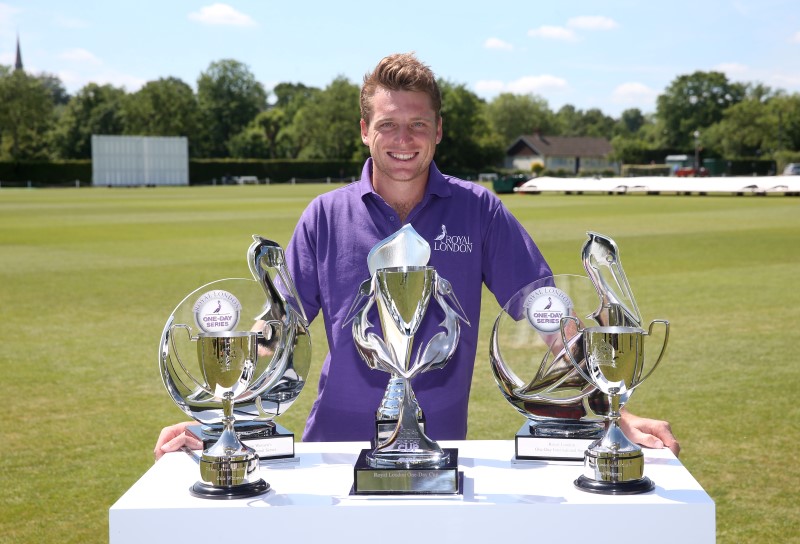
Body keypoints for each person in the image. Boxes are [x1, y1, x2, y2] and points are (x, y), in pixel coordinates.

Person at [155, 52, 679, 460]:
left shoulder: (479, 210)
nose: (402, 139)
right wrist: (217, 418)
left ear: (438, 131)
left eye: (418, 125)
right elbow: (274, 338)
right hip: (332, 453)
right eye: (387, 124)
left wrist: (614, 411)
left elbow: (551, 320)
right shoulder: (324, 215)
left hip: (439, 452)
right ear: (365, 131)